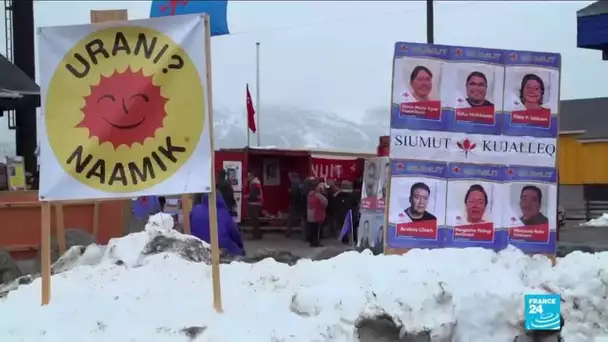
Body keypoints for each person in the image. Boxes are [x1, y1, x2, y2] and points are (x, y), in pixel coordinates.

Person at [306, 180, 327, 247]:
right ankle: (316, 242)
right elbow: (325, 202)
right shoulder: (317, 195)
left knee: (311, 229)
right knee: (317, 229)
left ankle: (311, 242)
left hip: (310, 214)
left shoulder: (309, 194)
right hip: (317, 214)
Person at [246, 172, 263, 239]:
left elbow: (254, 195)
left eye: (249, 176)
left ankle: (256, 235)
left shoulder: (254, 184)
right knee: (255, 220)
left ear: (252, 176)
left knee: (254, 220)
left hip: (254, 204)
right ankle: (257, 234)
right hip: (257, 203)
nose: (248, 177)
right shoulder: (256, 183)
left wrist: (247, 197)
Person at [286, 173, 301, 237]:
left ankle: (289, 232)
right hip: (300, 203)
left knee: (291, 218)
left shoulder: (294, 184)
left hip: (295, 203)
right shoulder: (300, 183)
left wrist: (291, 191)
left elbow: (295, 195)